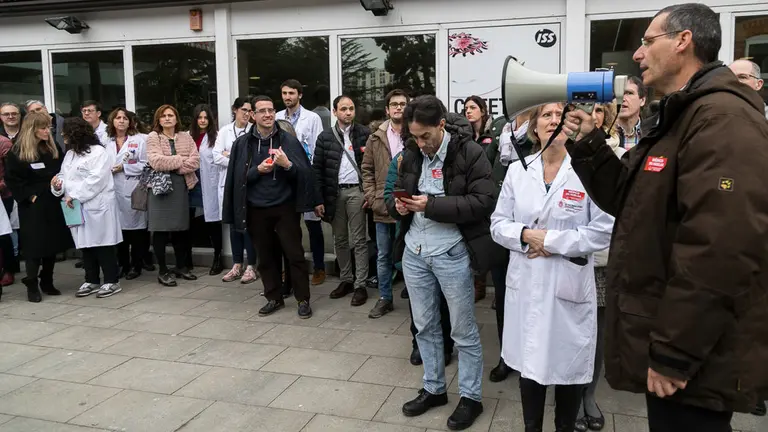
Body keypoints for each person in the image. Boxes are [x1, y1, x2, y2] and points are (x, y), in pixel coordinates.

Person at [562, 4, 768, 431]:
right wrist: (588, 144)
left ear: (683, 41)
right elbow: (629, 199)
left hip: (698, 353)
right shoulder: (682, 116)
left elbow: (720, 249)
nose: (637, 55)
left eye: (647, 41)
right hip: (681, 337)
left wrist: (678, 352)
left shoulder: (722, 119)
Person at [490, 102, 613, 432]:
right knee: (530, 366)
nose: (554, 121)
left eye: (561, 115)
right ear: (534, 126)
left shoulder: (586, 170)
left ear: (571, 126)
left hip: (566, 285)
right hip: (527, 283)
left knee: (568, 368)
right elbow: (498, 224)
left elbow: (603, 229)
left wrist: (552, 242)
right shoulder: (518, 170)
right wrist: (527, 235)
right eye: (547, 115)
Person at [386, 95, 496, 431]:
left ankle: (471, 397)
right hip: (415, 251)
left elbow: (482, 201)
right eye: (414, 137)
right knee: (424, 326)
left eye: (425, 136)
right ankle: (434, 388)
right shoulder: (411, 153)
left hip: (452, 252)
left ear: (442, 125)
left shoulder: (469, 152)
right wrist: (399, 207)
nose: (420, 143)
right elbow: (396, 195)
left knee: (462, 330)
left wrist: (430, 206)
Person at [222, 95, 316, 319]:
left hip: (284, 208)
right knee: (265, 257)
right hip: (256, 209)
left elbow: (304, 173)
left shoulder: (288, 140)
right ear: (252, 115)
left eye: (271, 110)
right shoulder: (242, 144)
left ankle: (303, 299)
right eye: (262, 111)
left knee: (295, 255)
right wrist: (258, 171)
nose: (268, 115)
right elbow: (236, 178)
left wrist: (288, 165)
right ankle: (273, 297)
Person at [573, 102, 624, 432]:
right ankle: (568, 392)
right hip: (566, 260)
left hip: (601, 263)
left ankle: (587, 396)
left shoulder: (615, 159)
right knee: (571, 332)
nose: (590, 118)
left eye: (598, 112)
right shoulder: (555, 157)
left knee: (596, 336)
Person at [5, 112, 73, 302]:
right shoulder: (17, 151)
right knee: (35, 244)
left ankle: (47, 280)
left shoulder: (52, 147)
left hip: (53, 200)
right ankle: (32, 282)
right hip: (33, 204)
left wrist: (59, 184)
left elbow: (62, 169)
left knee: (52, 243)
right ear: (32, 130)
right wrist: (30, 196)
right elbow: (12, 179)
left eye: (48, 127)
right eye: (43, 128)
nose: (47, 131)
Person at [52, 117, 123, 298]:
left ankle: (111, 281)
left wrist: (74, 195)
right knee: (85, 245)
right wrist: (57, 184)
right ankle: (91, 279)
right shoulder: (71, 154)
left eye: (65, 131)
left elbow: (96, 180)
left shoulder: (98, 152)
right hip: (75, 206)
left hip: (96, 205)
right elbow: (64, 174)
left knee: (103, 244)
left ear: (76, 133)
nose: (62, 134)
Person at [313, 95, 371, 307]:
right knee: (340, 240)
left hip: (357, 192)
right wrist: (318, 199)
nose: (348, 112)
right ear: (335, 112)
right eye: (343, 109)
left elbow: (372, 165)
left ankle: (360, 284)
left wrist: (369, 193)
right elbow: (317, 169)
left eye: (351, 108)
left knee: (359, 240)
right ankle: (346, 279)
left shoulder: (365, 133)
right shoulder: (325, 137)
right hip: (334, 194)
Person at [362, 89, 409, 319]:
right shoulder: (375, 137)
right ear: (387, 109)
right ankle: (385, 297)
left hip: (408, 206)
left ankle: (412, 290)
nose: (398, 107)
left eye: (402, 104)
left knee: (408, 253)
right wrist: (372, 196)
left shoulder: (414, 134)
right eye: (394, 104)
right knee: (383, 255)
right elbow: (367, 170)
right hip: (382, 205)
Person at [276, 79, 326, 286]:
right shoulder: (277, 117)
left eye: (292, 93)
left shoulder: (312, 118)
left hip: (305, 175)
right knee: (288, 227)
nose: (288, 97)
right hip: (284, 177)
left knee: (313, 225)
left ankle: (319, 267)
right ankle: (290, 269)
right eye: (285, 93)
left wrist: (314, 181)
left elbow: (316, 149)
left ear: (300, 95)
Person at [146, 104, 200, 287]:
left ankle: (181, 266)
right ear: (158, 120)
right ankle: (162, 270)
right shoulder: (153, 137)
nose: (167, 118)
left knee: (180, 230)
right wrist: (180, 160)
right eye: (163, 116)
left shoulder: (186, 136)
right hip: (160, 189)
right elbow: (155, 161)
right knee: (160, 231)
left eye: (171, 115)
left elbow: (195, 161)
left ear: (176, 118)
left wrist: (174, 164)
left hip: (181, 186)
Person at [213, 97, 259, 284]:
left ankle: (251, 266)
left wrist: (230, 156)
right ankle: (237, 264)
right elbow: (216, 156)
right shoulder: (224, 131)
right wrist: (236, 160)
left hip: (249, 186)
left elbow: (254, 160)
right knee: (234, 225)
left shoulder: (255, 132)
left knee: (248, 225)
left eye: (250, 111)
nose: (247, 114)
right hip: (230, 185)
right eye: (244, 110)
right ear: (235, 110)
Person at [107, 108, 150, 280]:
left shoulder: (139, 140)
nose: (121, 121)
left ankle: (136, 265)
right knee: (119, 231)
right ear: (112, 121)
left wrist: (124, 167)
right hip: (112, 190)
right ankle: (122, 264)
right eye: (118, 118)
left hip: (133, 188)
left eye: (125, 118)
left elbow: (146, 164)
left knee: (136, 231)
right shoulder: (106, 141)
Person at [463, 95, 494, 303]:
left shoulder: (493, 134)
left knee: (490, 241)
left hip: (488, 193)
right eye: (466, 108)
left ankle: (494, 285)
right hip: (469, 194)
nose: (468, 111)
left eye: (473, 107)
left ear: (482, 111)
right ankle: (477, 284)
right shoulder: (464, 136)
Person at [189, 104, 224, 275]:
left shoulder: (216, 137)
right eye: (199, 117)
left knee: (213, 222)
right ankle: (186, 260)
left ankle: (217, 258)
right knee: (189, 221)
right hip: (191, 183)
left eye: (206, 118)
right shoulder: (188, 137)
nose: (203, 121)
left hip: (209, 183)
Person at [0, 133, 15, 287]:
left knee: (3, 234)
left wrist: (1, 185)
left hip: (3, 196)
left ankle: (9, 269)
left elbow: (11, 171)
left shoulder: (4, 143)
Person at [615, 76, 646, 150]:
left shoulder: (652, 133)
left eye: (629, 93)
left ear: (642, 100)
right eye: (618, 93)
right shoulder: (605, 134)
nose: (622, 98)